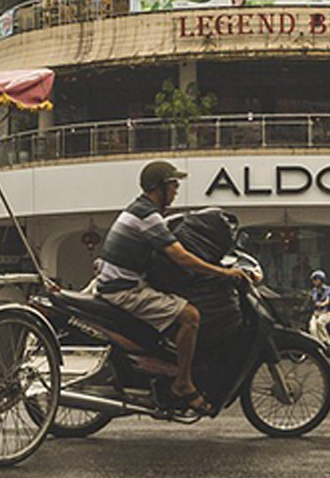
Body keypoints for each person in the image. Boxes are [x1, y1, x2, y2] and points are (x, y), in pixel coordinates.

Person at [91, 160, 254, 414]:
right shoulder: (148, 215)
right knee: (190, 316)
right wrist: (225, 273)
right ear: (159, 188)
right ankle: (183, 384)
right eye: (173, 184)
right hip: (124, 290)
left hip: (115, 282)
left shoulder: (139, 210)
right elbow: (181, 257)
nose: (177, 190)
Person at [307, 270, 330, 347]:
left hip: (326, 312)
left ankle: (326, 342)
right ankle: (316, 343)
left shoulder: (328, 290)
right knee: (312, 328)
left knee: (320, 323)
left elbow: (327, 301)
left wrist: (321, 304)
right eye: (314, 280)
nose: (315, 282)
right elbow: (309, 299)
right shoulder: (313, 291)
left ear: (321, 280)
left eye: (316, 279)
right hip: (315, 313)